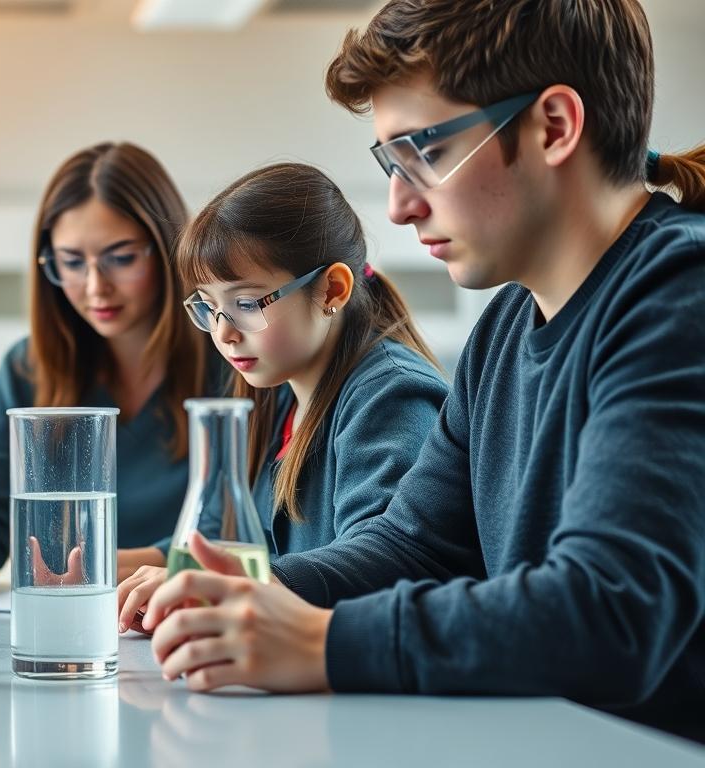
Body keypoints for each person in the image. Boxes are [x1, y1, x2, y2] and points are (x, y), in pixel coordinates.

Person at [144, 0, 705, 743]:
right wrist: (250, 593)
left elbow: (609, 610)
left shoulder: (677, 295)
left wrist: (318, 643)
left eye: (426, 153)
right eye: (391, 162)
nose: (400, 206)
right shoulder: (506, 327)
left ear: (554, 127)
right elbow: (417, 547)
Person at [116, 162, 447, 633]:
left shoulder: (390, 395)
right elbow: (221, 533)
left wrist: (224, 580)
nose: (224, 333)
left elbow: (383, 558)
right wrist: (130, 567)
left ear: (331, 289)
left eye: (246, 303)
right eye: (208, 307)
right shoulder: (277, 390)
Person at [0, 142, 221, 591]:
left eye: (121, 258)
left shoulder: (236, 362)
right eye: (71, 262)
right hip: (61, 624)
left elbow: (264, 524)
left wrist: (150, 563)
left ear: (168, 250)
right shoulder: (27, 368)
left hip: (197, 619)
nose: (95, 287)